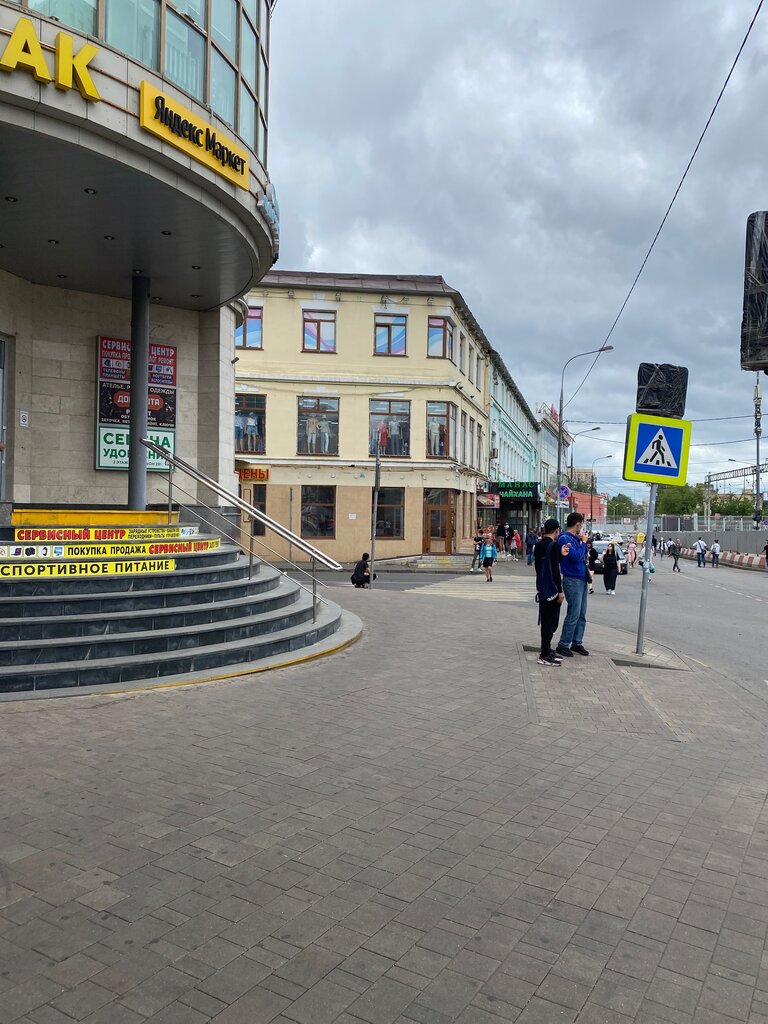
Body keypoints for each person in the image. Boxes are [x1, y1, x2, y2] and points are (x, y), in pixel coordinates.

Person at [556, 511, 591, 659]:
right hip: (572, 579)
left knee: (581, 614)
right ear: (577, 524)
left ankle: (577, 642)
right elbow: (576, 557)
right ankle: (563, 644)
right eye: (581, 525)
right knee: (574, 613)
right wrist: (583, 543)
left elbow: (583, 555)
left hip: (581, 579)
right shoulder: (564, 538)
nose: (581, 528)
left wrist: (582, 544)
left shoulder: (575, 539)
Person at [534, 518, 565, 666]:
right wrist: (560, 591)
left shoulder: (539, 545)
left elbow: (538, 567)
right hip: (552, 589)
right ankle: (545, 654)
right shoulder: (554, 545)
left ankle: (546, 650)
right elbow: (555, 570)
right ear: (556, 530)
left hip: (542, 587)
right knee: (550, 622)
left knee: (547, 621)